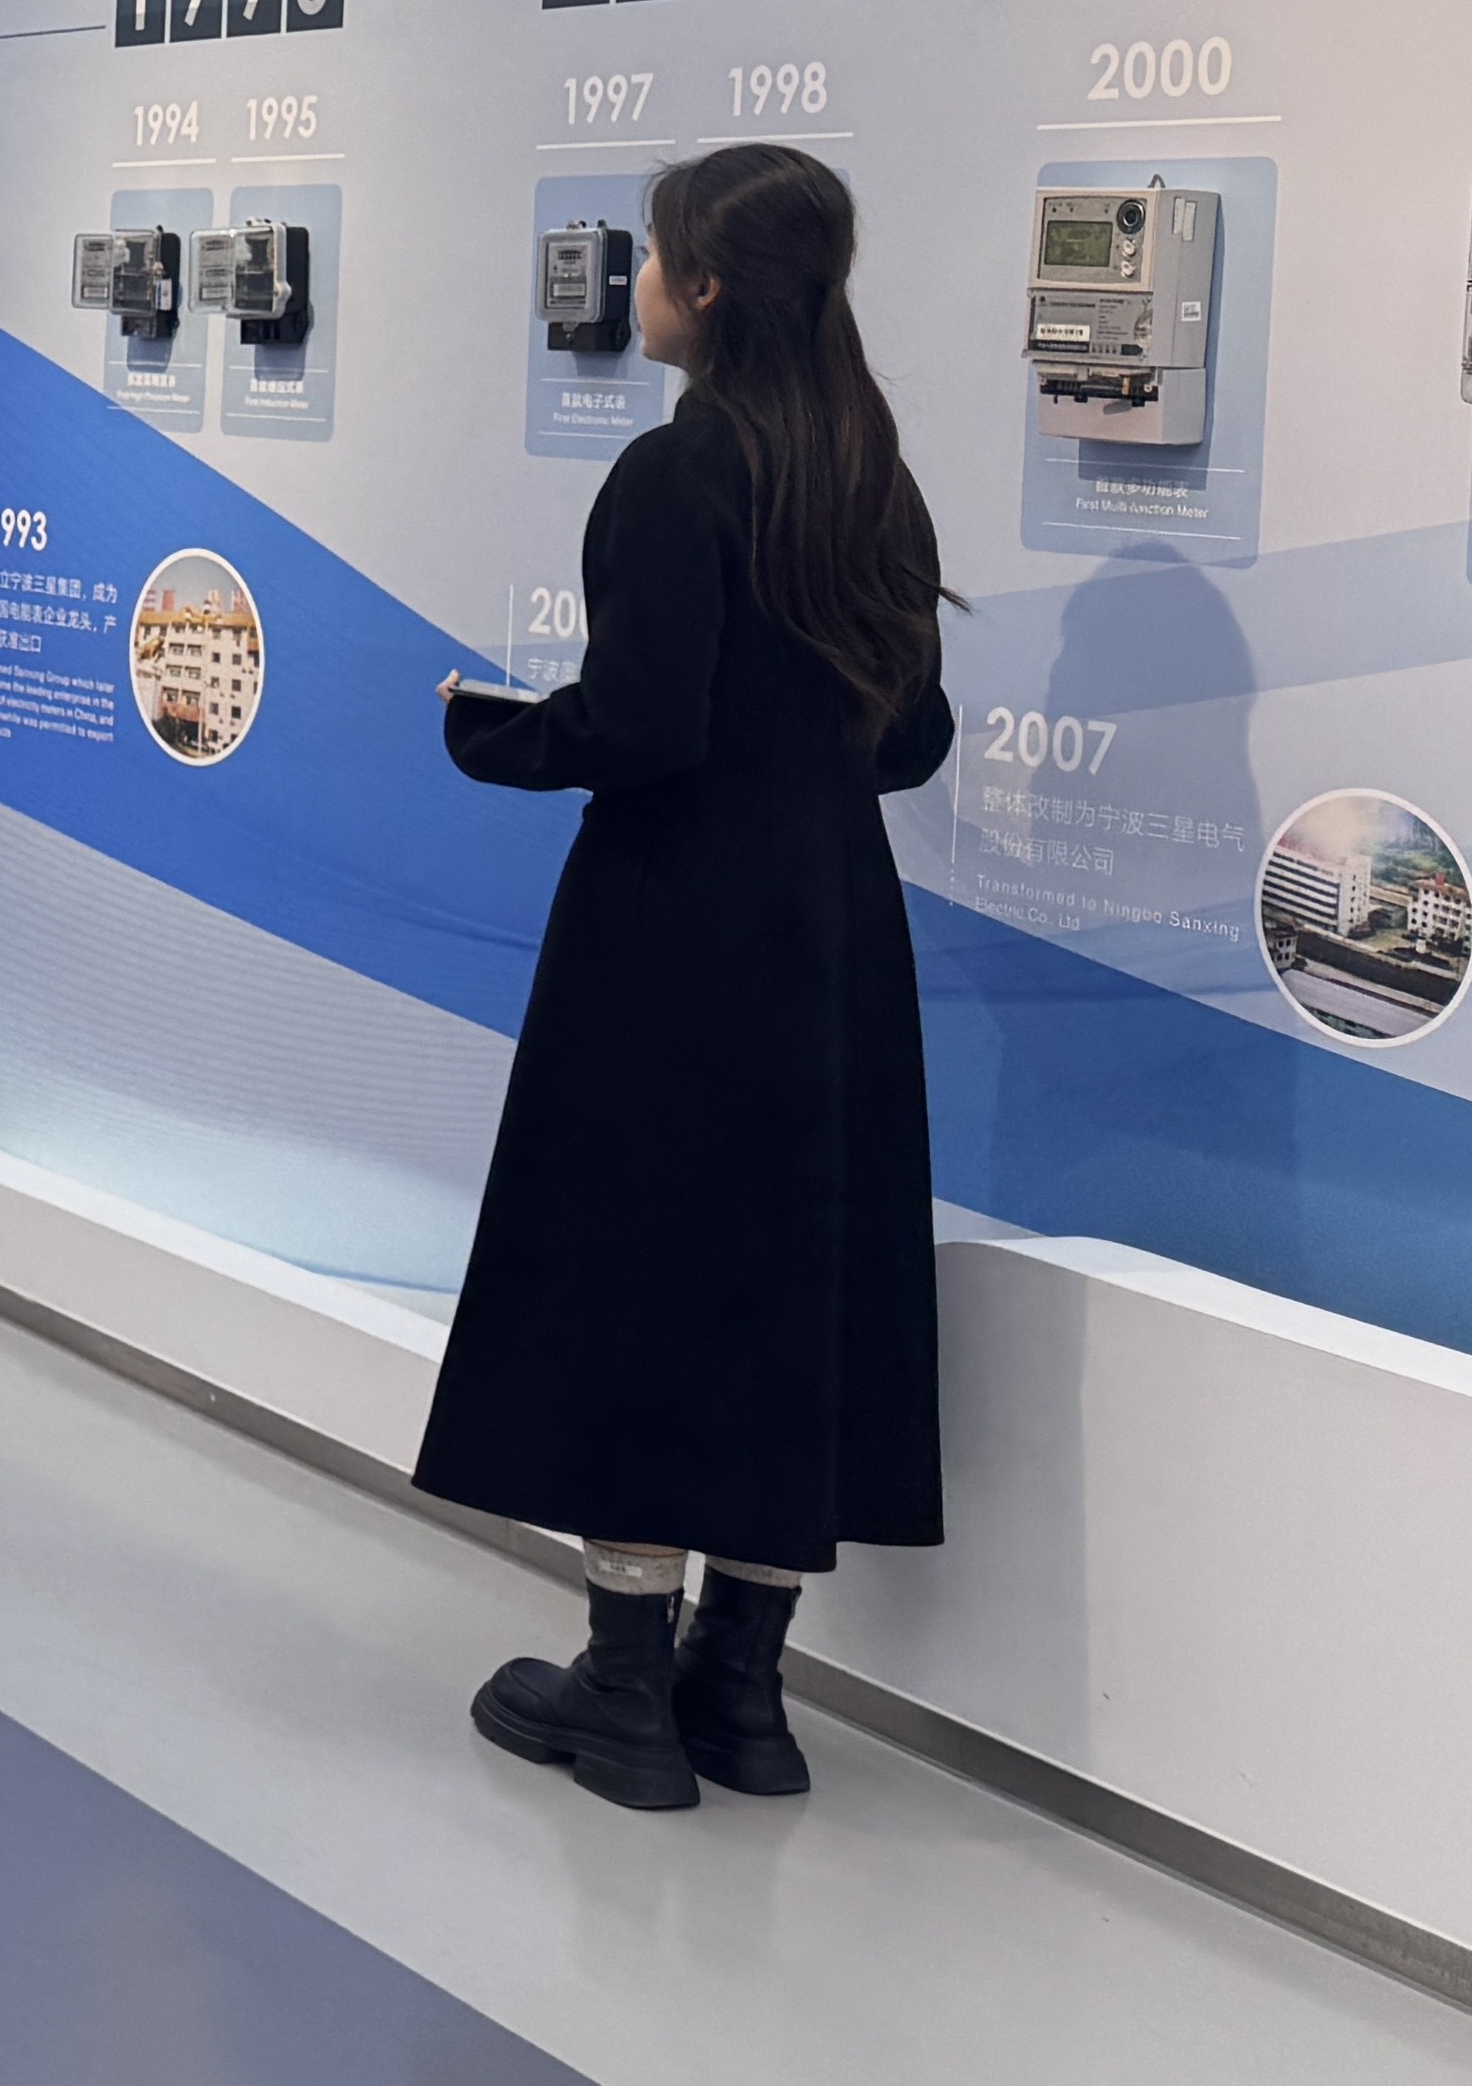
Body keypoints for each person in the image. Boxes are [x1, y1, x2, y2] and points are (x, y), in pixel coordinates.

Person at [423, 140, 956, 1815]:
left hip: (671, 930)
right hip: (835, 934)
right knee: (789, 1281)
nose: (633, 281)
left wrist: (491, 733)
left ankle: (625, 1690)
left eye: (650, 255)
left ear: (705, 286)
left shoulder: (675, 471)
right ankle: (745, 1691)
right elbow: (913, 737)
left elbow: (646, 727)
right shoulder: (871, 471)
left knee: (634, 1274)